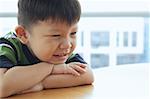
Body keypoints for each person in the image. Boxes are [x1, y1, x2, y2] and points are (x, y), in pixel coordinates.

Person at [0, 0, 94, 98]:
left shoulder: (61, 52)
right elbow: (2, 86)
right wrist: (51, 68)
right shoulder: (7, 46)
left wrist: (41, 84)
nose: (67, 45)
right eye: (55, 35)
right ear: (24, 34)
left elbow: (87, 75)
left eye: (73, 33)